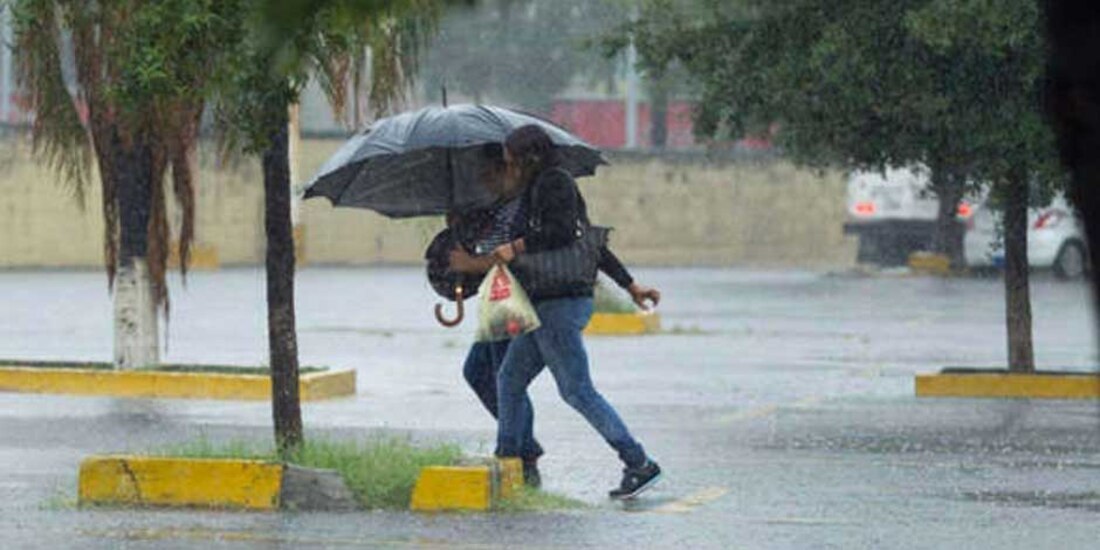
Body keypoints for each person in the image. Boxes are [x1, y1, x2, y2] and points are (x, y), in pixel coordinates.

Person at [449, 125, 662, 500]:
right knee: (509, 379)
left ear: (529, 157)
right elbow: (591, 242)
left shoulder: (554, 182)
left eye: (512, 160)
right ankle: (509, 459)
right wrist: (631, 286)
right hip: (545, 303)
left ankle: (638, 461)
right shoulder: (537, 188)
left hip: (561, 304)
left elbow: (564, 233)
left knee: (577, 390)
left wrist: (517, 246)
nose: (509, 166)